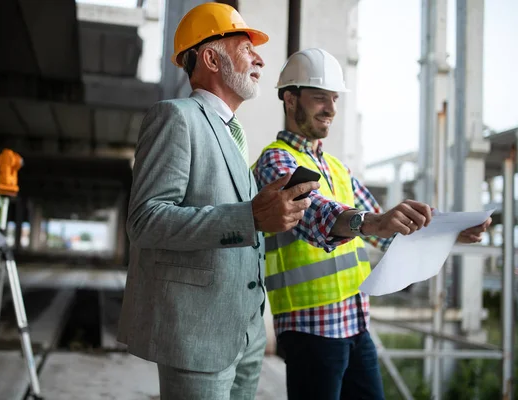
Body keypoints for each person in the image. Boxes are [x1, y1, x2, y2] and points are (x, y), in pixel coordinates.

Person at [253, 48, 492, 400]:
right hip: (310, 328)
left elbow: (388, 232)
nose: (332, 109)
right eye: (321, 98)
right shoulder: (275, 159)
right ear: (290, 100)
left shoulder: (337, 167)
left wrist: (451, 232)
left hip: (355, 322)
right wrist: (374, 223)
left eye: (334, 99)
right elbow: (316, 213)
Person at [116, 3, 319, 399]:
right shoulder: (175, 117)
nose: (259, 58)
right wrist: (250, 217)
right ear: (210, 57)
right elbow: (145, 220)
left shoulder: (232, 133)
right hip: (196, 333)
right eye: (246, 48)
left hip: (244, 332)